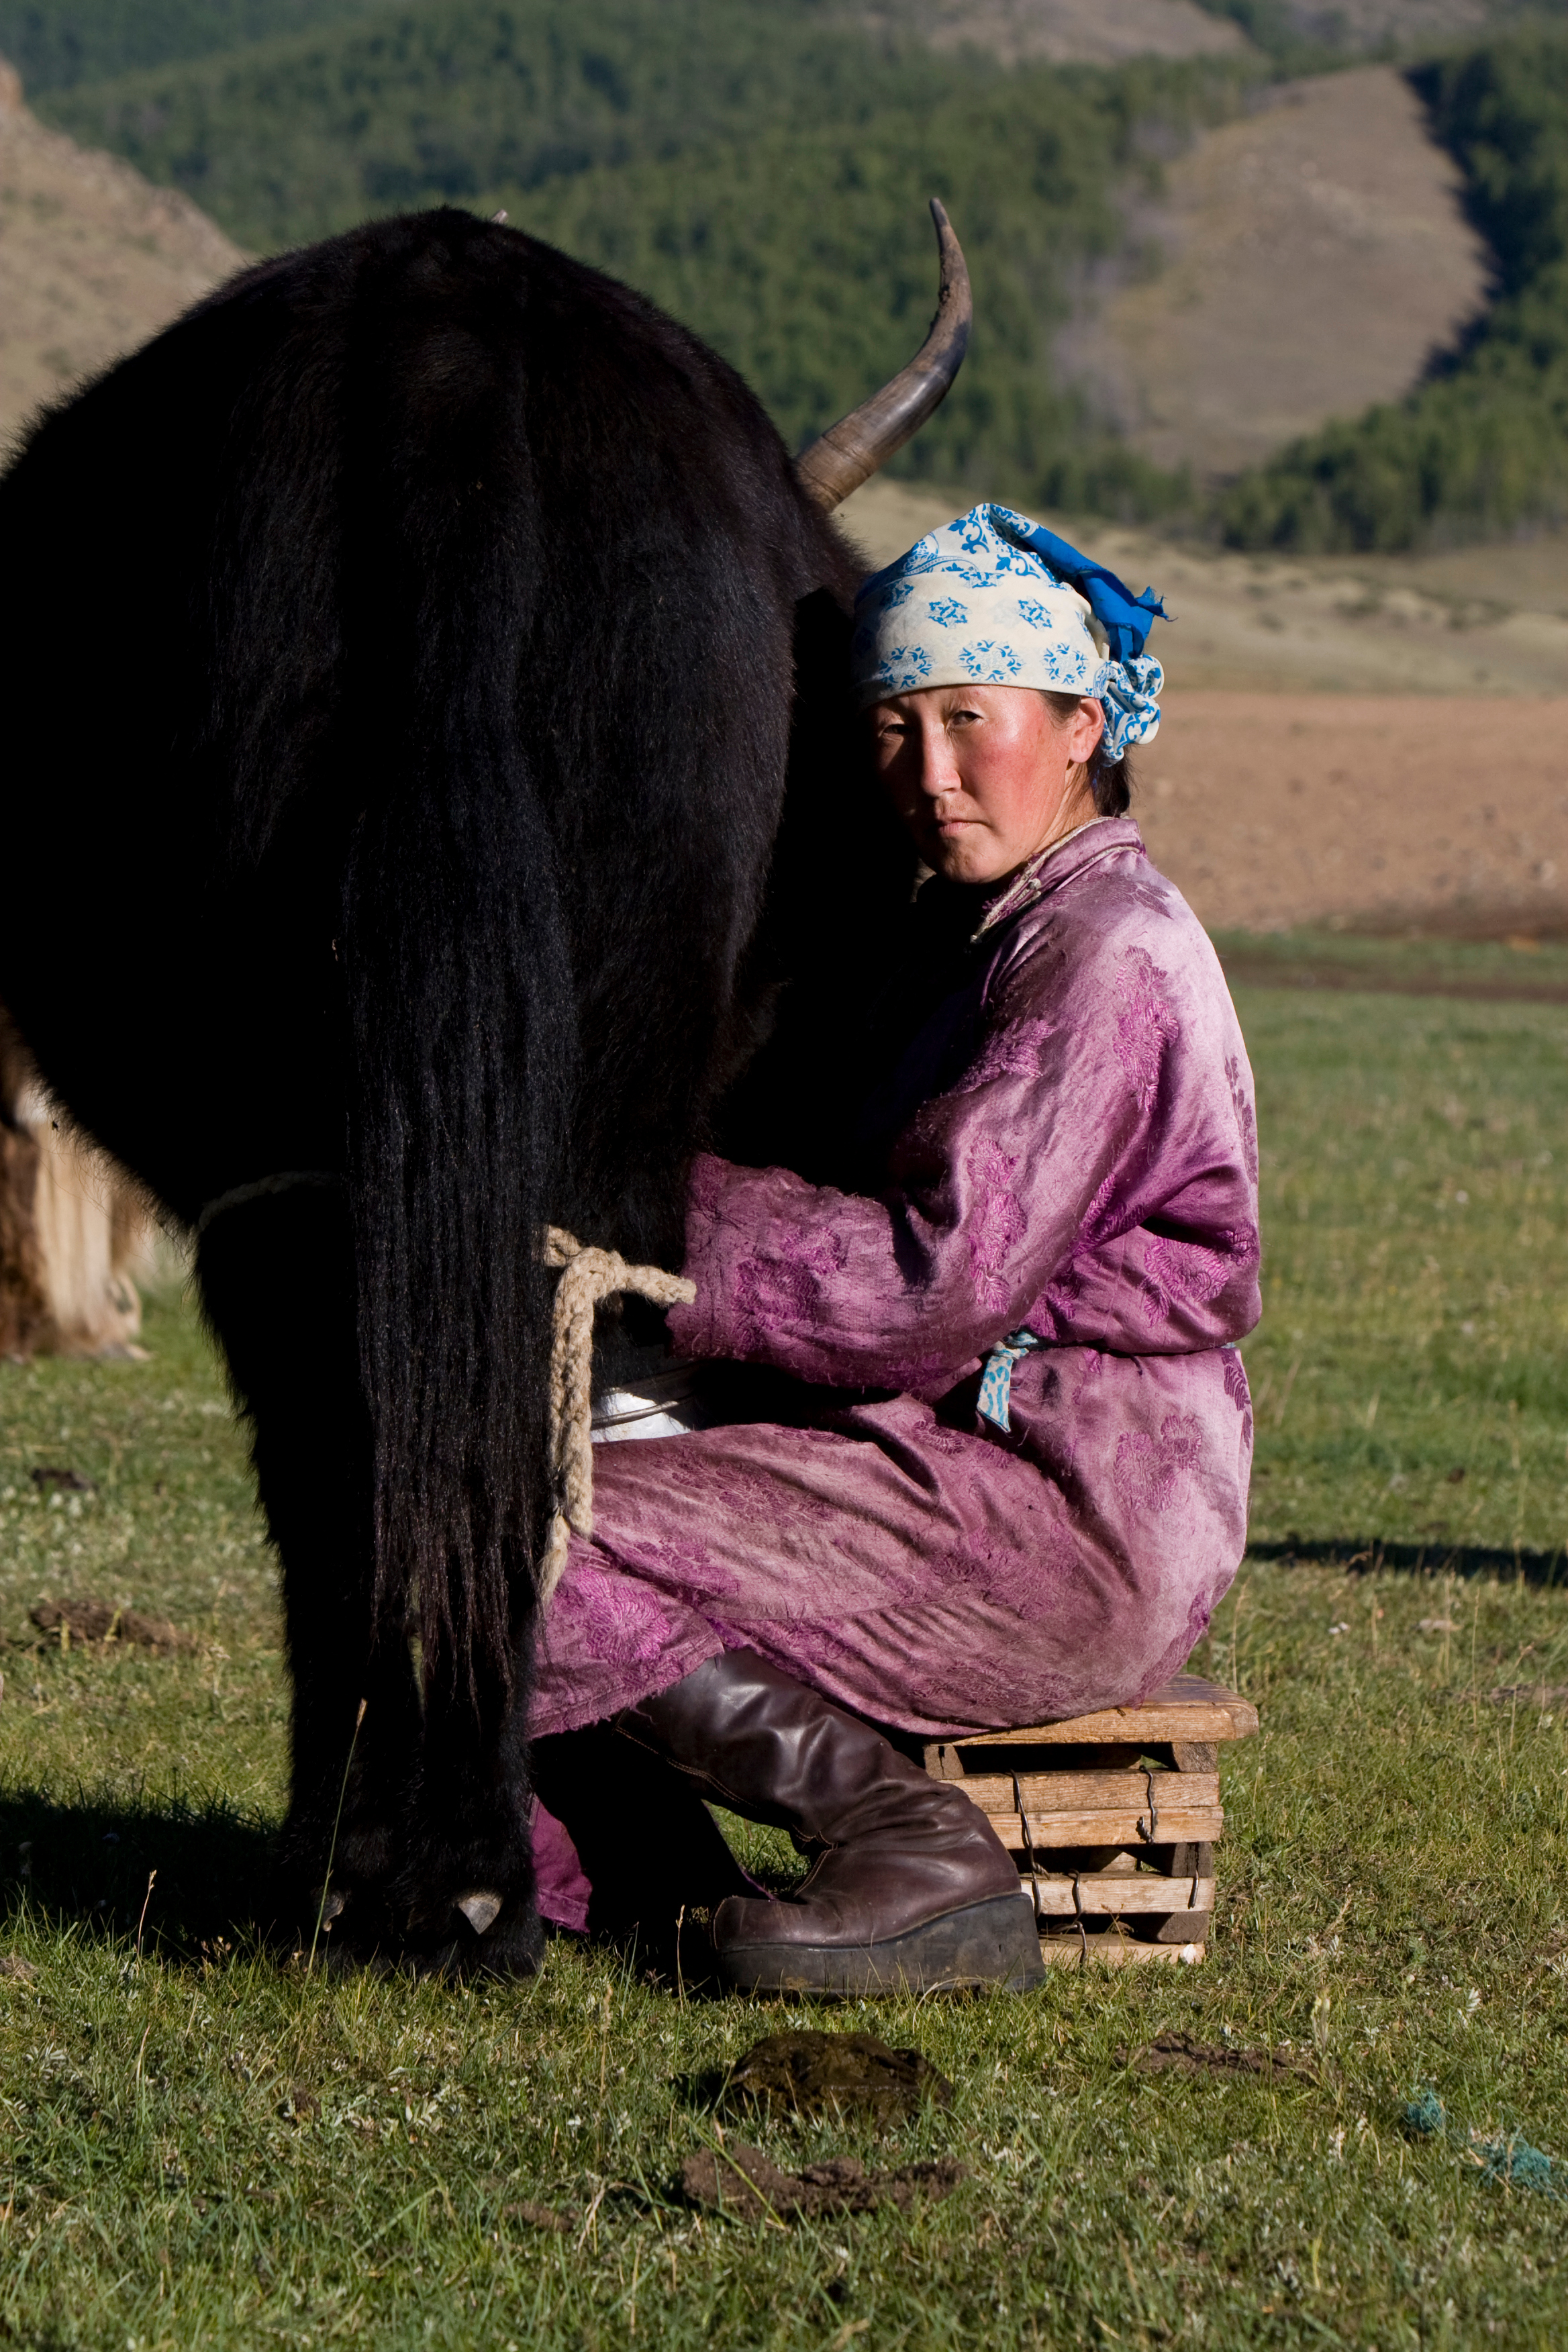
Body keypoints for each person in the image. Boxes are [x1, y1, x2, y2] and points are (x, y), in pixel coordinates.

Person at [527, 503, 1261, 1996]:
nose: (928, 774)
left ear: (1076, 724)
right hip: (966, 1469)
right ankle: (652, 1888)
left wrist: (645, 1212)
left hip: (1066, 1519)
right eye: (892, 727)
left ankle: (911, 1852)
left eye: (968, 721)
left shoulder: (1105, 955)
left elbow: (931, 1288)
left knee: (522, 1539)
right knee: (486, 1491)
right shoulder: (980, 936)